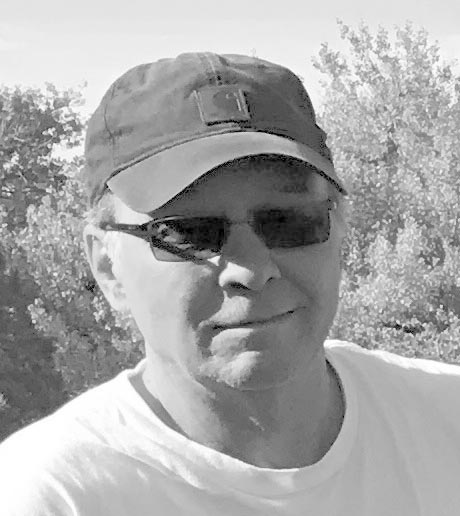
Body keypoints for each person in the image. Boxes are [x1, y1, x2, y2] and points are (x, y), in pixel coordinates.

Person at [0, 52, 459, 516]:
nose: (251, 270)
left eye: (289, 221)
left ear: (341, 229)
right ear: (107, 266)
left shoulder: (446, 423)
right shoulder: (53, 496)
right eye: (188, 234)